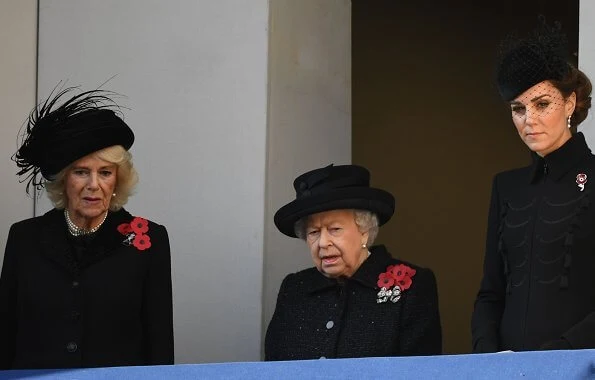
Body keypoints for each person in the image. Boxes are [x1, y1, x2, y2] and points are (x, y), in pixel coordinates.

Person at [0, 87, 174, 369]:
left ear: (117, 181)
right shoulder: (24, 238)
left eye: (105, 173)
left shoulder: (149, 239)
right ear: (63, 180)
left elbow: (160, 341)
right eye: (81, 172)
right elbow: (5, 331)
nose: (93, 184)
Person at [472, 18, 594, 352]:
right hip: (506, 370)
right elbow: (490, 291)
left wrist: (562, 355)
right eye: (518, 109)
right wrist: (486, 357)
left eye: (542, 104)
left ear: (569, 103)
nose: (529, 120)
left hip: (581, 364)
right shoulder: (506, 187)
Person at [265, 164, 442, 360]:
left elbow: (421, 371)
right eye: (314, 232)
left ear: (364, 230)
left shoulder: (412, 286)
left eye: (335, 229)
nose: (323, 243)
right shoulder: (295, 289)